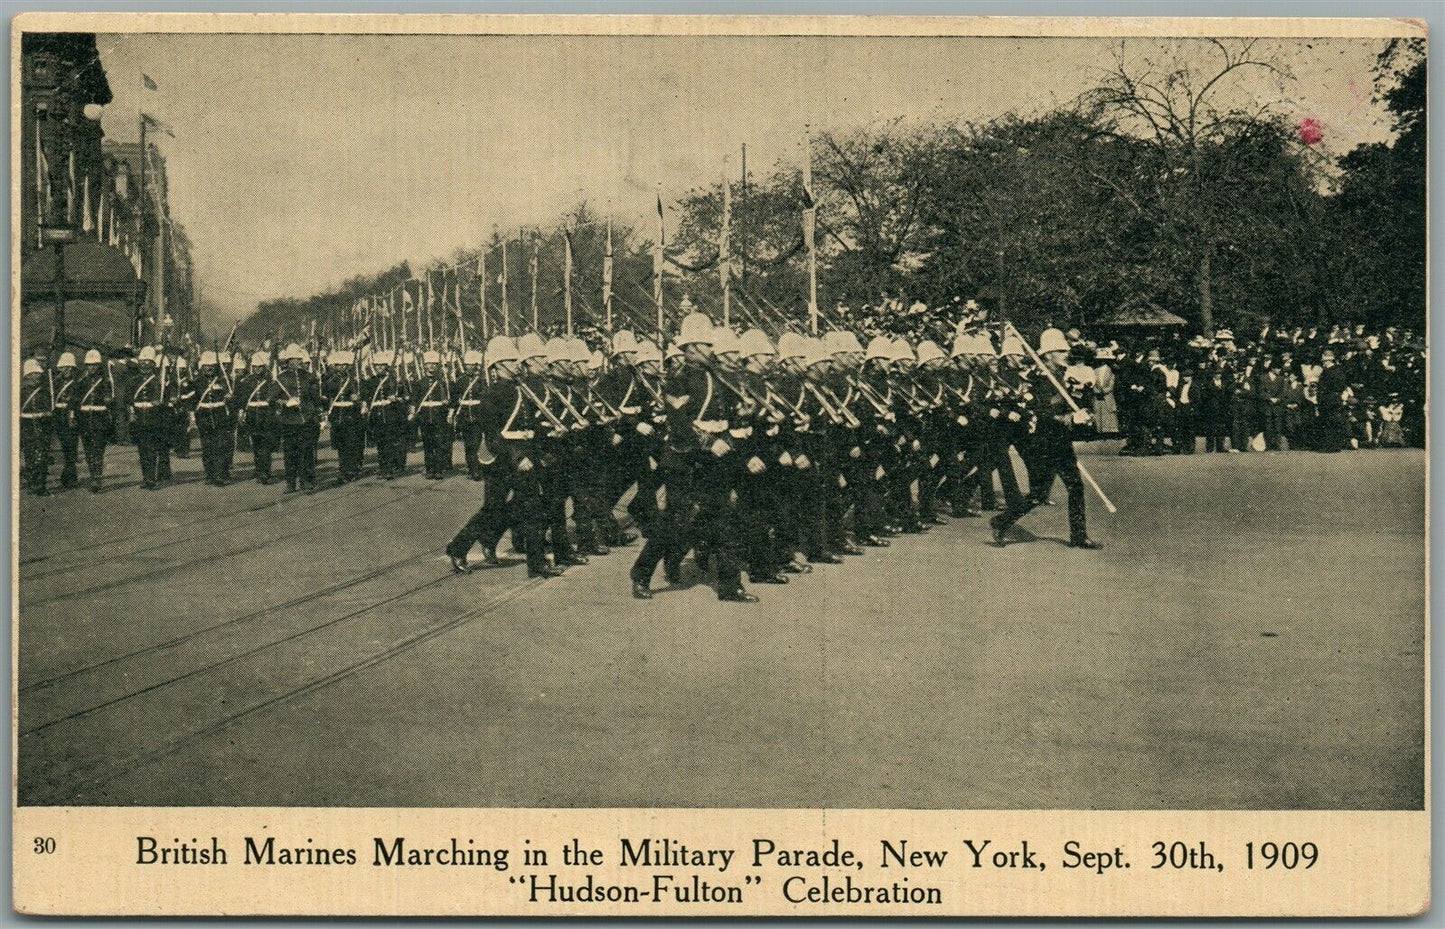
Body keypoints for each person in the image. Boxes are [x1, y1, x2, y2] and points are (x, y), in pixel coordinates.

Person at [990, 328, 1101, 550]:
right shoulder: (1038, 380)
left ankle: (1078, 536)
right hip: (1044, 442)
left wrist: (1081, 412)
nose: (1066, 354)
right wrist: (1069, 418)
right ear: (1048, 355)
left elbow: (1067, 405)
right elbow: (1040, 413)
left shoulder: (1061, 376)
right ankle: (1001, 521)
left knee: (1075, 487)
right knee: (1039, 494)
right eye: (1060, 351)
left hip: (1061, 440)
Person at [275, 343, 323, 493]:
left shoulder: (309, 377)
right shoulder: (281, 378)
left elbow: (315, 398)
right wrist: (284, 402)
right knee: (290, 453)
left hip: (306, 419)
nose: (296, 362)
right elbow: (271, 398)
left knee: (306, 452)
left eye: (298, 359)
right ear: (288, 361)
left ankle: (306, 481)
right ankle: (291, 483)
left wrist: (318, 413)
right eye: (292, 359)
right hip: (288, 420)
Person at [128, 345, 173, 490]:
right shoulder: (134, 380)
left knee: (152, 449)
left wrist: (161, 403)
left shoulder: (158, 381)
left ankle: (151, 479)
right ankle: (146, 477)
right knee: (142, 450)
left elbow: (167, 399)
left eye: (148, 363)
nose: (144, 365)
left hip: (154, 418)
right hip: (139, 418)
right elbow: (129, 400)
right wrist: (131, 412)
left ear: (153, 365)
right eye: (142, 362)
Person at [72, 349, 114, 492]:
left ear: (99, 365)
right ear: (86, 366)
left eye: (95, 365)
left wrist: (108, 399)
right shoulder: (81, 381)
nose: (92, 368)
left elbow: (111, 398)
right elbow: (75, 400)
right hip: (84, 419)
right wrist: (73, 416)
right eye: (90, 365)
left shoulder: (106, 381)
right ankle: (93, 476)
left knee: (98, 450)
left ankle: (96, 478)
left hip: (100, 419)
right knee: (88, 451)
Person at [193, 350, 237, 485]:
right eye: (206, 365)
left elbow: (232, 399)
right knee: (207, 448)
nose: (209, 368)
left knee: (221, 447)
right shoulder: (197, 382)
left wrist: (229, 398)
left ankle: (220, 474)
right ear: (202, 367)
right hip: (204, 418)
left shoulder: (224, 381)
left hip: (220, 417)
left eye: (212, 365)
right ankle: (210, 474)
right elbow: (193, 401)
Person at [322, 349, 366, 484]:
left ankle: (351, 470)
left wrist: (357, 398)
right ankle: (343, 470)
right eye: (338, 365)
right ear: (335, 366)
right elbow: (325, 397)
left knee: (351, 444)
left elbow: (362, 395)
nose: (341, 367)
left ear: (347, 366)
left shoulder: (353, 380)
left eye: (344, 365)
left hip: (351, 415)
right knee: (340, 445)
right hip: (337, 415)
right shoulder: (329, 380)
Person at [239, 351, 281, 483]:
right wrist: (241, 413)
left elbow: (275, 399)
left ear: (264, 367)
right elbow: (243, 399)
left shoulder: (270, 382)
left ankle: (265, 473)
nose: (257, 369)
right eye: (255, 367)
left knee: (266, 446)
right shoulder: (246, 381)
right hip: (252, 416)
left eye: (260, 367)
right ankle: (259, 470)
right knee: (256, 446)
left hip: (266, 416)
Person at [20, 358, 56, 496]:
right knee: (29, 455)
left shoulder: (45, 391)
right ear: (28, 375)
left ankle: (40, 485)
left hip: (42, 426)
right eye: (34, 374)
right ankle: (32, 483)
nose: (37, 376)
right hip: (27, 427)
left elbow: (49, 408)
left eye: (38, 374)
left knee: (42, 456)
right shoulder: (21, 392)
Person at [51, 352, 82, 489]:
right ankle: (68, 476)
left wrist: (72, 413)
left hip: (72, 416)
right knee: (65, 447)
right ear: (60, 368)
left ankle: (70, 477)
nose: (67, 370)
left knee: (71, 447)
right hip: (59, 416)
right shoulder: (55, 382)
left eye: (70, 367)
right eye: (64, 367)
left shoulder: (77, 383)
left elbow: (77, 400)